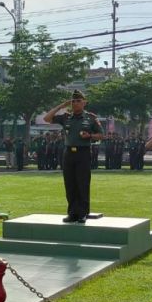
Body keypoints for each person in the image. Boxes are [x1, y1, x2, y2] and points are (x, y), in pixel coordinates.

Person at [44, 89, 104, 223]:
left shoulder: (91, 118)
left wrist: (90, 136)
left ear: (84, 103)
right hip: (68, 153)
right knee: (69, 184)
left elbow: (101, 135)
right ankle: (72, 213)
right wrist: (60, 106)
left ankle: (83, 213)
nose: (75, 103)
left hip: (83, 153)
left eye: (78, 101)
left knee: (82, 183)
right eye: (73, 101)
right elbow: (46, 118)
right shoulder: (66, 117)